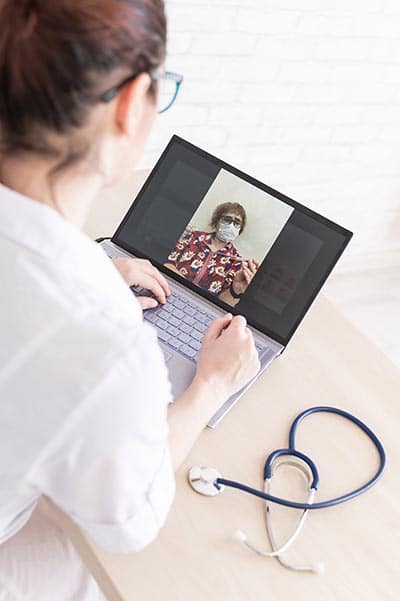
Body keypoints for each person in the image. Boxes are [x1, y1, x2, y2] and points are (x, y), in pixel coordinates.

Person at [0, 1, 260, 599]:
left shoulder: (82, 304)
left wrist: (89, 266)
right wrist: (212, 386)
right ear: (128, 105)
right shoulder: (101, 343)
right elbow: (128, 522)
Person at [165, 202, 260, 306]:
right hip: (169, 289)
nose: (231, 225)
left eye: (237, 223)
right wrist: (192, 290)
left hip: (200, 306)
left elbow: (223, 303)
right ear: (217, 221)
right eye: (227, 220)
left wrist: (236, 291)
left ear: (240, 229)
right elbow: (168, 264)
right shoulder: (194, 237)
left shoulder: (236, 261)